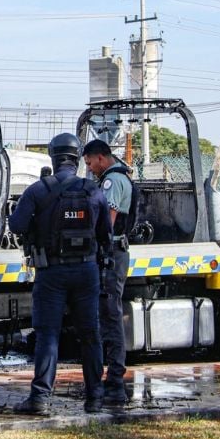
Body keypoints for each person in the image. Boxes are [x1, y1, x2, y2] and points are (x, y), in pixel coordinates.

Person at [8, 132, 111, 416]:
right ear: (77, 158)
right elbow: (106, 234)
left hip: (51, 272)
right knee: (91, 335)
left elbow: (16, 226)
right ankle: (95, 398)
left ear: (53, 158)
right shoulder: (94, 191)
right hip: (87, 271)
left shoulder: (37, 190)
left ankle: (40, 399)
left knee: (48, 335)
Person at [81, 139, 133, 401]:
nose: (89, 168)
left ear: (101, 158)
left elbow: (107, 223)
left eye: (90, 163)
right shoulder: (115, 178)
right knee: (107, 316)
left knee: (111, 317)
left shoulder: (112, 181)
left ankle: (115, 383)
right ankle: (111, 379)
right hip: (112, 254)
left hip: (111, 254)